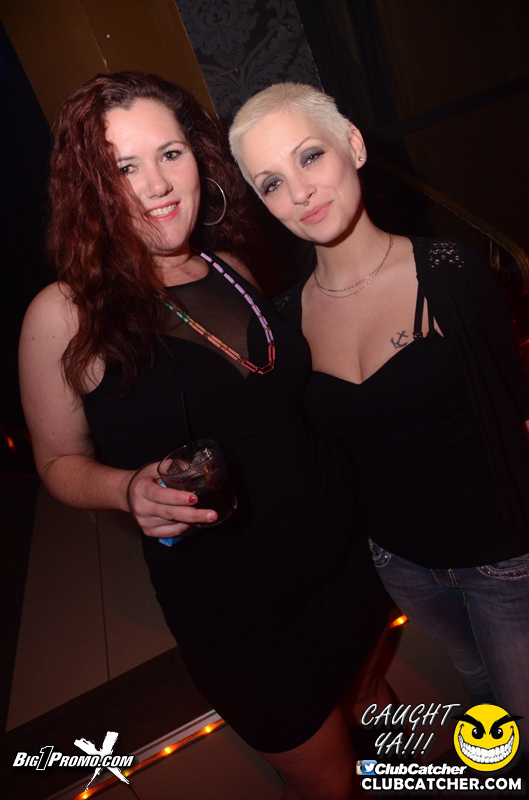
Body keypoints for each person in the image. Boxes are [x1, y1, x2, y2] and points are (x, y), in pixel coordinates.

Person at [19, 71, 392, 800]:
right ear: (89, 188)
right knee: (330, 783)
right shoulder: (64, 315)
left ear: (198, 156)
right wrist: (125, 488)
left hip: (346, 553)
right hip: (240, 612)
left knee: (366, 694)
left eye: (170, 154)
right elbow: (58, 460)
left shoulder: (233, 267)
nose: (157, 185)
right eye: (123, 168)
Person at [229, 82, 529, 757]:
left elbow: (515, 404)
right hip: (399, 563)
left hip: (501, 559)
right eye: (271, 183)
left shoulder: (450, 273)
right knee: (473, 678)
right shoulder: (282, 323)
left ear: (354, 146)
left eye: (310, 156)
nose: (300, 192)